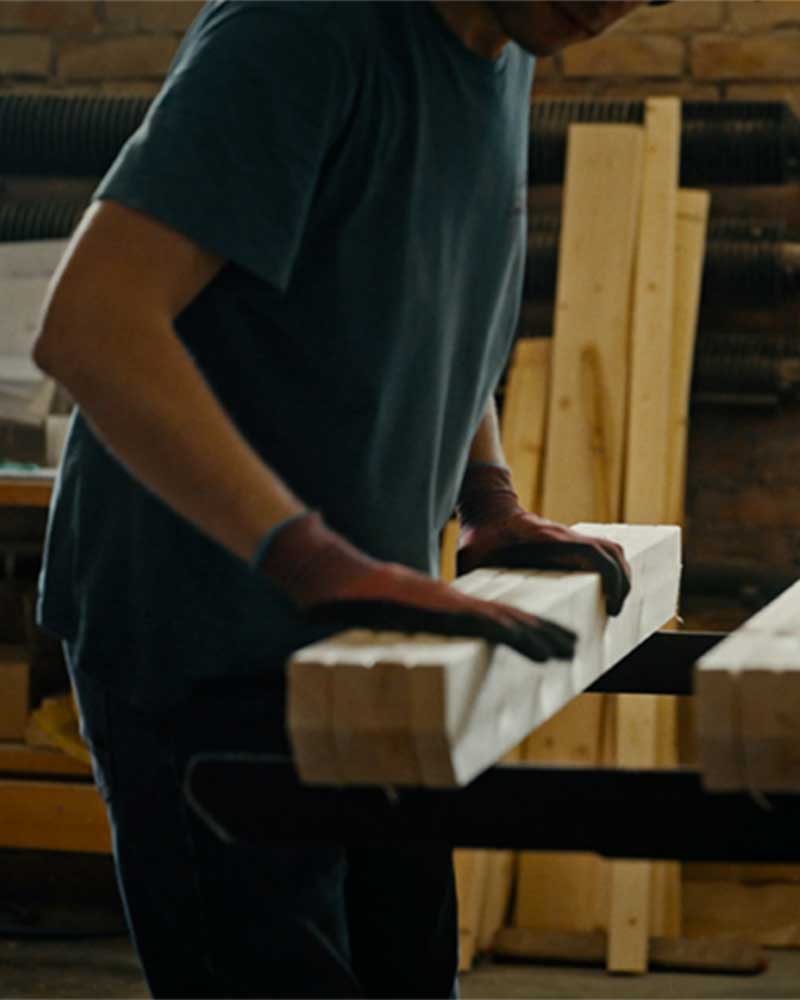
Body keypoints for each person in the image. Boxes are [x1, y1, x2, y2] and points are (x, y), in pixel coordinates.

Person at [33, 2, 643, 996]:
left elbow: (432, 282)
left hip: (369, 648)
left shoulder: (512, 33)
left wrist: (485, 493)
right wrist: (316, 561)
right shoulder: (302, 27)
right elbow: (92, 325)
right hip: (201, 639)